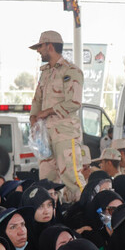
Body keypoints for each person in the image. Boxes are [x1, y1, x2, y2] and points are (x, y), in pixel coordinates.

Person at [29, 30, 85, 203]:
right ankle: (52, 217)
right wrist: (33, 117)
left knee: (72, 177)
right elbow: (37, 98)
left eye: (40, 46)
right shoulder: (45, 72)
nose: (38, 51)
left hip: (65, 133)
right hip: (45, 136)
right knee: (46, 182)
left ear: (50, 46)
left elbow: (74, 102)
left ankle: (90, 212)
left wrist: (45, 112)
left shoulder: (71, 71)